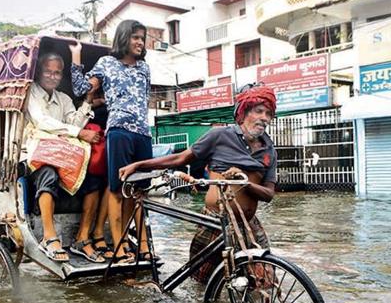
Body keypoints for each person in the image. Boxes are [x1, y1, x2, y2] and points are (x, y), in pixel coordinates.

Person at [119, 83, 278, 282]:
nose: (264, 117)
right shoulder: (219, 135)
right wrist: (139, 164)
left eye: (269, 113)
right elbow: (180, 159)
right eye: (259, 111)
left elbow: (269, 194)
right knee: (200, 280)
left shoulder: (269, 149)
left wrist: (245, 183)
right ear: (244, 111)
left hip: (248, 225)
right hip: (215, 221)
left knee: (266, 280)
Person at [71, 19, 153, 263]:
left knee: (139, 191)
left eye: (142, 37)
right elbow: (79, 88)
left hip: (143, 133)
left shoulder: (144, 68)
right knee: (117, 189)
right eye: (135, 37)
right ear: (124, 38)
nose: (140, 42)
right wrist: (76, 56)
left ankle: (140, 243)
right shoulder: (106, 63)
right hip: (118, 131)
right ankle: (118, 246)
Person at [25, 52, 105, 263]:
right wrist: (77, 133)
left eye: (57, 73)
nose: (52, 76)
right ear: (39, 72)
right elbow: (42, 122)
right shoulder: (31, 93)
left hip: (67, 156)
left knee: (95, 177)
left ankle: (82, 237)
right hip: (38, 156)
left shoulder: (64, 99)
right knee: (49, 173)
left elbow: (76, 123)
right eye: (48, 71)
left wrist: (87, 101)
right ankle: (49, 237)